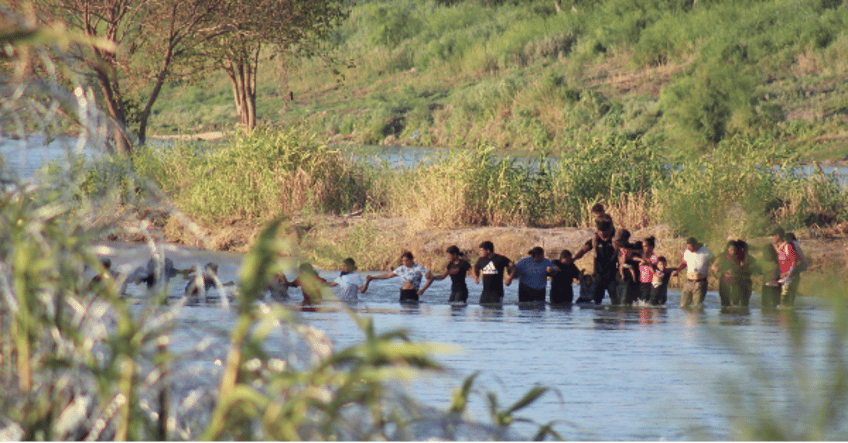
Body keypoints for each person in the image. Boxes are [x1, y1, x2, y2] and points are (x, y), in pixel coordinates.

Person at [573, 218, 619, 305]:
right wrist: (574, 258)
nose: (602, 233)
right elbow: (584, 250)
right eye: (600, 231)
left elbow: (625, 250)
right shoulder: (595, 241)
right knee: (597, 300)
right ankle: (598, 318)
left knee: (615, 299)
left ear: (608, 231)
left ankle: (614, 317)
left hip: (611, 275)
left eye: (604, 231)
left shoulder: (614, 241)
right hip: (599, 275)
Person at [364, 251, 429, 303]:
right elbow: (388, 275)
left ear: (411, 259)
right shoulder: (401, 268)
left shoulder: (418, 268)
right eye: (403, 261)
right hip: (403, 293)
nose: (405, 263)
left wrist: (423, 290)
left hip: (413, 293)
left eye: (407, 260)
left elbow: (431, 278)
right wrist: (373, 277)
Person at [673, 237, 713, 309]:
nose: (690, 249)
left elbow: (714, 261)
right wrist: (678, 270)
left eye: (691, 247)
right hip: (689, 282)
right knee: (683, 306)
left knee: (696, 306)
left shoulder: (705, 251)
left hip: (700, 283)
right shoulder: (686, 252)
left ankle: (698, 319)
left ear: (696, 244)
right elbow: (685, 263)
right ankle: (687, 319)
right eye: (688, 247)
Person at [772, 228, 799, 307]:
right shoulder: (778, 248)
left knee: (786, 305)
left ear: (778, 236)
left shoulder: (788, 247)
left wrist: (789, 273)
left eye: (773, 236)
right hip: (781, 279)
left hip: (789, 279)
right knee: (779, 305)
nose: (772, 238)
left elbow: (795, 261)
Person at [712, 240, 740, 307]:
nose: (733, 252)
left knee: (735, 302)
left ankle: (734, 315)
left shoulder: (739, 257)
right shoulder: (722, 256)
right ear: (728, 249)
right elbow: (713, 266)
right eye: (731, 250)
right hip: (725, 280)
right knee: (725, 302)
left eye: (735, 250)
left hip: (736, 281)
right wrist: (715, 269)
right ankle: (724, 314)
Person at [637, 237, 659, 303]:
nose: (643, 248)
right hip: (640, 282)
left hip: (649, 283)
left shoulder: (654, 257)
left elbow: (654, 265)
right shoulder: (641, 256)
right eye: (643, 246)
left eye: (645, 246)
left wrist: (647, 263)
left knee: (646, 303)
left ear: (652, 247)